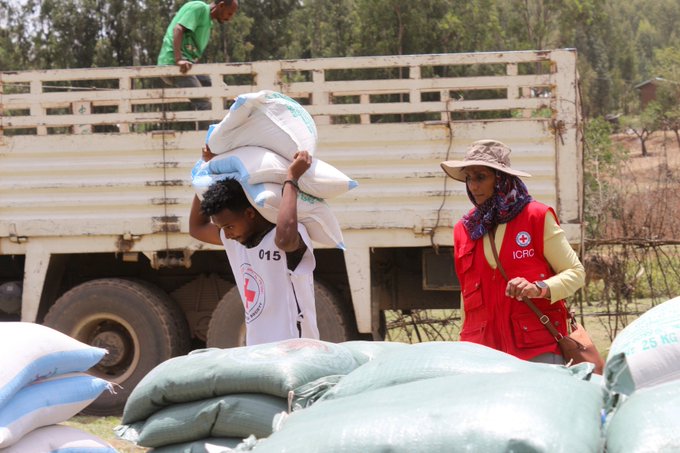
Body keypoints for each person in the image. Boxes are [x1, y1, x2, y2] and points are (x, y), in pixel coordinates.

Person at [440, 139, 585, 364]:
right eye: (469, 178)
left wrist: (539, 288)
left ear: (501, 179)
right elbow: (466, 301)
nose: (473, 186)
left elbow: (576, 273)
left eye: (481, 177)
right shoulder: (464, 230)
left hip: (536, 349)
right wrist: (464, 350)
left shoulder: (536, 217)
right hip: (482, 356)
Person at [189, 146, 319, 346]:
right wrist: (207, 173)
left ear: (250, 213)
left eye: (230, 226)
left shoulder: (288, 235)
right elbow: (197, 228)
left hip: (297, 348)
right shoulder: (235, 239)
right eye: (222, 228)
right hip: (258, 349)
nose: (227, 233)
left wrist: (291, 178)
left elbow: (284, 240)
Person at [157, 0, 239, 111]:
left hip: (188, 65)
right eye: (229, 13)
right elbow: (178, 29)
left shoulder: (208, 22)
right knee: (205, 105)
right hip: (174, 63)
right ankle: (213, 128)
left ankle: (221, 126)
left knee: (222, 89)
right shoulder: (199, 8)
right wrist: (178, 59)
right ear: (221, 5)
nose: (229, 18)